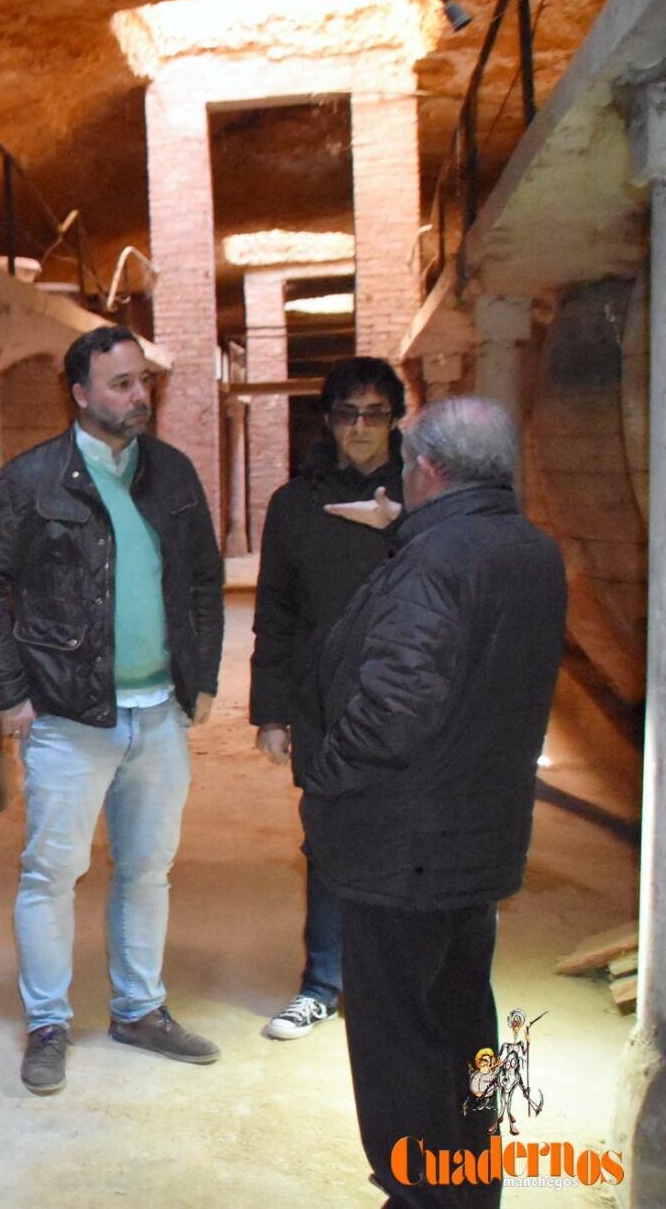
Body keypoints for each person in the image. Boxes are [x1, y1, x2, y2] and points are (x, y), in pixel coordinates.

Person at [302, 397, 565, 1208]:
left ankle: (419, 1194)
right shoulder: (530, 550)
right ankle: (466, 1187)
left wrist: (325, 776)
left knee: (397, 1040)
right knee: (459, 1025)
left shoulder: (435, 565)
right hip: (475, 843)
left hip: (402, 851)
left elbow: (392, 708)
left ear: (431, 470)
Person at [0, 325, 225, 1097]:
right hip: (71, 718)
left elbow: (204, 579)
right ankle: (48, 1023)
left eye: (142, 381)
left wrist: (199, 675)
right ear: (80, 394)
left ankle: (140, 1009)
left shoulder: (171, 474)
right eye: (120, 384)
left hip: (158, 713)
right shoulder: (32, 479)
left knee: (148, 869)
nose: (138, 396)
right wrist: (10, 693)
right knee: (52, 872)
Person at [250, 357, 408, 1041]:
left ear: (396, 420)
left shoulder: (426, 496)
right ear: (329, 421)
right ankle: (323, 984)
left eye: (375, 413)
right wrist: (271, 711)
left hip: (408, 700)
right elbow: (275, 611)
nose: (361, 429)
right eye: (348, 414)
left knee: (408, 838)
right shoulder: (295, 504)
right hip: (326, 701)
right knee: (330, 842)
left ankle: (396, 986)